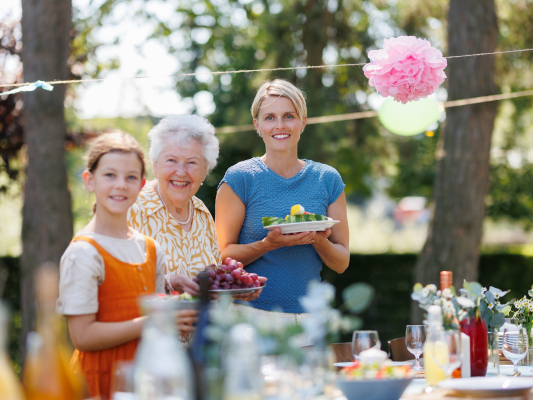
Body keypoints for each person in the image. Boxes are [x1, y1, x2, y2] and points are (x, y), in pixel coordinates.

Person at [57, 133, 195, 399]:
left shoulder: (151, 248)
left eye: (131, 177)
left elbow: (153, 313)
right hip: (97, 384)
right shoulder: (84, 252)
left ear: (142, 185)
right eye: (110, 175)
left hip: (144, 381)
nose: (121, 185)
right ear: (89, 180)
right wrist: (155, 320)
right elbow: (82, 336)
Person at [215, 79, 350, 322]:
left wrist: (318, 240)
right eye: (269, 118)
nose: (280, 125)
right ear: (257, 124)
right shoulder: (240, 178)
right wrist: (269, 244)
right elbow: (222, 256)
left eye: (289, 116)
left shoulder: (327, 179)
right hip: (250, 317)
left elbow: (341, 263)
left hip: (311, 320)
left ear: (303, 121)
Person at [127, 114, 264, 302]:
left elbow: (212, 278)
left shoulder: (201, 212)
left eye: (192, 162)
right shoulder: (132, 209)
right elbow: (117, 282)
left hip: (202, 330)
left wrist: (233, 289)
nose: (181, 172)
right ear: (155, 165)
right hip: (153, 330)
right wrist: (168, 282)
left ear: (204, 170)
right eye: (171, 160)